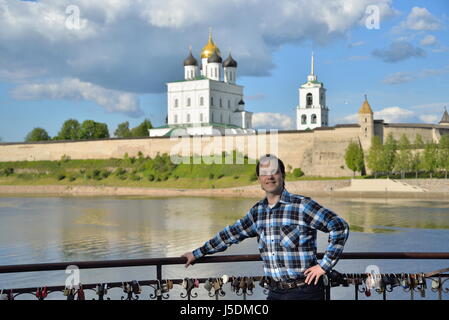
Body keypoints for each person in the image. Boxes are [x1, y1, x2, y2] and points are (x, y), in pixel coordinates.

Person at [182, 154, 350, 300]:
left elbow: (339, 227)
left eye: (274, 172)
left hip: (304, 290)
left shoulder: (302, 206)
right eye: (264, 173)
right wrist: (197, 253)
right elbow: (229, 235)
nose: (269, 177)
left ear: (283, 176)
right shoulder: (257, 212)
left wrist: (324, 266)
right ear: (259, 180)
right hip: (274, 291)